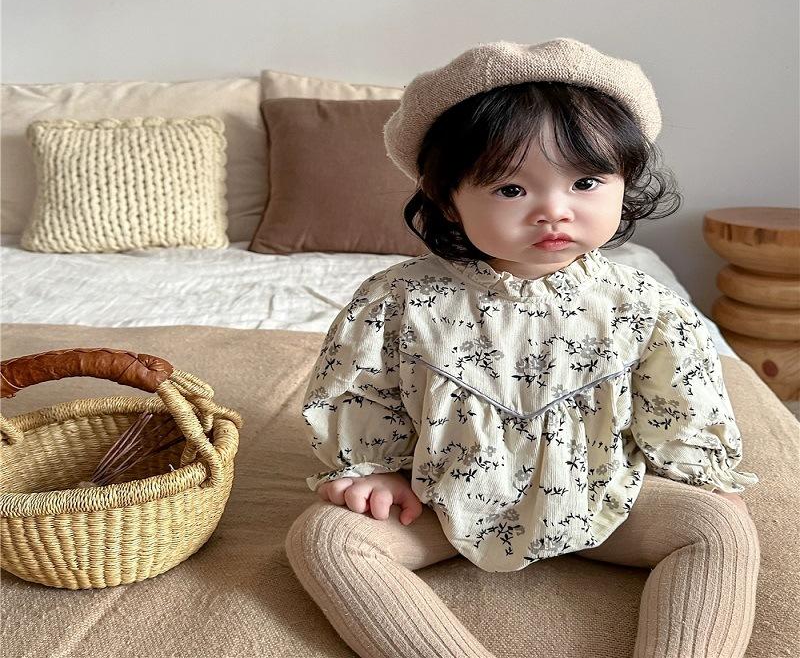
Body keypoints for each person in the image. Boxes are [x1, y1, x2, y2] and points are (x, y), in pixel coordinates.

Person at [284, 38, 761, 658]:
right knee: (325, 538)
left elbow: (681, 402)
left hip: (604, 492)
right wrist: (371, 469)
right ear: (447, 200)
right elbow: (362, 389)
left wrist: (701, 475)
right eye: (511, 189)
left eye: (585, 182)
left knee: (721, 528)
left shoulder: (646, 305)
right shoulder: (397, 300)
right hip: (441, 496)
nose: (553, 212)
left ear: (624, 183)